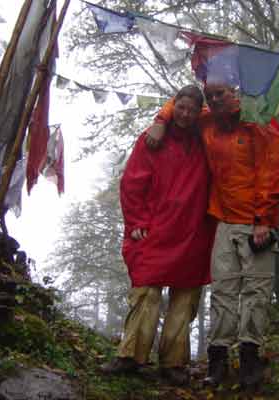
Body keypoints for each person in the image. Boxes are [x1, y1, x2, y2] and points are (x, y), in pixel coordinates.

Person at [146, 79, 279, 389]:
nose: (214, 100)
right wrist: (159, 121)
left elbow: (271, 170)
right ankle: (218, 360)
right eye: (210, 96)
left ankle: (251, 358)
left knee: (256, 292)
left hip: (257, 222)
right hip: (223, 221)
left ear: (235, 91)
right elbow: (181, 105)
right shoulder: (208, 120)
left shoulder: (258, 118)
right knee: (222, 292)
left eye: (219, 94)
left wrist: (263, 219)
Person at [101, 85, 216, 386]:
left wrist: (162, 117)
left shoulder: (206, 138)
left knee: (185, 298)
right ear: (173, 105)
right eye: (180, 107)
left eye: (192, 110)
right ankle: (130, 356)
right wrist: (136, 220)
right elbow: (132, 183)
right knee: (146, 291)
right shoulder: (152, 139)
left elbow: (219, 114)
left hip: (193, 231)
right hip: (155, 229)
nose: (185, 114)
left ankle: (174, 362)